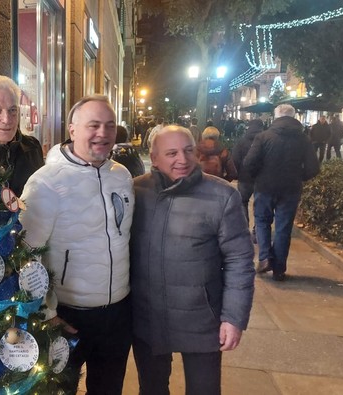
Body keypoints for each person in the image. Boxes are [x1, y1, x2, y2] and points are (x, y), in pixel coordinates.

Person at [19, 95, 134, 394]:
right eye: (93, 125)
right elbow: (26, 254)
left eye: (109, 126)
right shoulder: (45, 182)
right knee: (61, 389)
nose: (103, 133)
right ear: (72, 130)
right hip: (68, 314)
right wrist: (47, 312)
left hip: (117, 313)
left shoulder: (121, 176)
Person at [129, 125, 255, 395]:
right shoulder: (136, 191)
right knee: (151, 388)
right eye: (171, 153)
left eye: (188, 151)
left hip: (202, 319)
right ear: (154, 157)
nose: (182, 160)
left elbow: (240, 261)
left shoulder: (222, 196)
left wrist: (233, 318)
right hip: (148, 316)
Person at [244, 104, 320, 281]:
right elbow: (313, 168)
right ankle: (279, 268)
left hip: (265, 186)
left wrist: (259, 176)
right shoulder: (303, 139)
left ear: (275, 117)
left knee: (262, 221)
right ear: (294, 117)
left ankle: (264, 258)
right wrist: (298, 177)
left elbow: (249, 162)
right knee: (283, 228)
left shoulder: (263, 137)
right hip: (290, 189)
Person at [232, 119, 265, 237]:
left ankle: (244, 230)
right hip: (261, 178)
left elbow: (235, 159)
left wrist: (237, 174)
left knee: (243, 203)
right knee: (260, 205)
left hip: (244, 178)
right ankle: (257, 231)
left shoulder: (241, 141)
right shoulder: (266, 140)